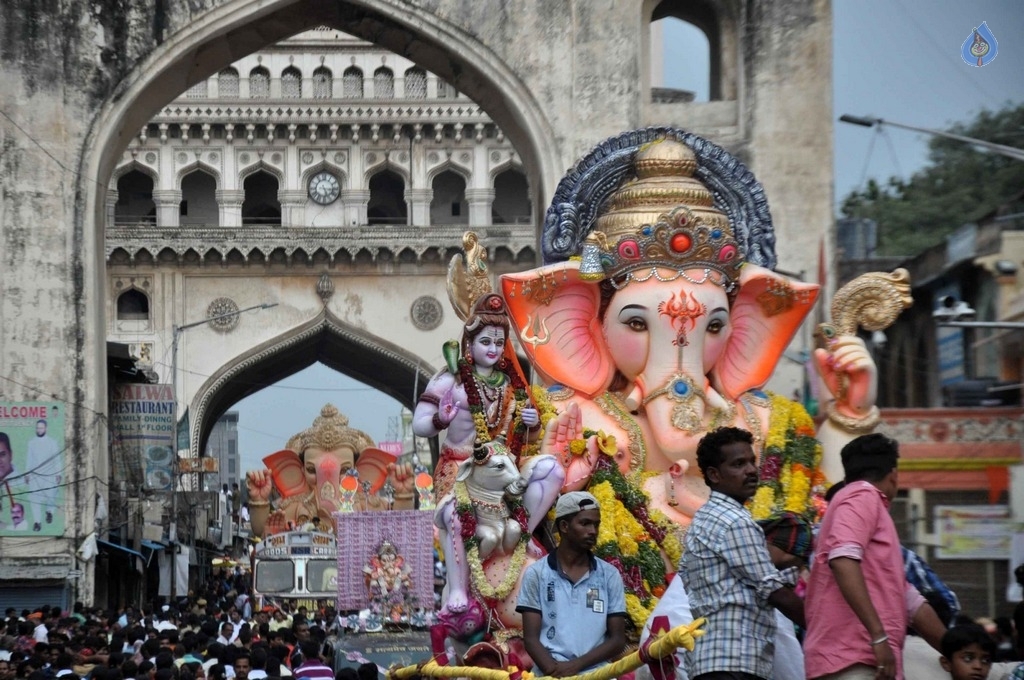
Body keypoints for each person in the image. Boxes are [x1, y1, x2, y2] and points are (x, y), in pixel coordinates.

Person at [804, 433, 946, 680]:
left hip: (862, 662)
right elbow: (842, 559)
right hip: (852, 660)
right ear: (893, 475)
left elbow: (909, 600)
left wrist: (955, 651)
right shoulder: (862, 496)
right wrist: (878, 636)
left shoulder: (868, 507)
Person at [680, 427, 805, 680]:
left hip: (714, 661)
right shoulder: (734, 521)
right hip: (733, 660)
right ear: (714, 474)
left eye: (752, 462)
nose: (750, 471)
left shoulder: (704, 518)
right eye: (738, 464)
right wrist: (829, 630)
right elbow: (773, 591)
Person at [412, 293, 539, 499]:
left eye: (499, 343)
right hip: (460, 465)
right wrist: (440, 420)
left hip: (500, 468)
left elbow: (528, 437)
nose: (493, 349)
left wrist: (532, 423)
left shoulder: (509, 384)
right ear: (470, 343)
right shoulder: (450, 380)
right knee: (460, 518)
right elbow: (419, 426)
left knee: (547, 469)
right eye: (486, 341)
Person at [516, 491, 626, 677]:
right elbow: (531, 639)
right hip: (550, 673)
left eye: (596, 524)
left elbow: (617, 640)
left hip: (598, 674)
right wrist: (554, 671)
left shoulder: (609, 575)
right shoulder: (537, 573)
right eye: (585, 523)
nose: (593, 531)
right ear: (564, 526)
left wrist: (576, 666)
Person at [25, 419, 61, 531]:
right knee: (34, 499)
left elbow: (57, 459)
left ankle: (49, 512)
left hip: (49, 475)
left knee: (51, 496)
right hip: (35, 476)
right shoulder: (31, 443)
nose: (39, 430)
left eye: (41, 428)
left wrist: (58, 473)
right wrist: (27, 474)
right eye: (37, 428)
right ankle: (37, 522)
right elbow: (29, 459)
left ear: (45, 428)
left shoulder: (52, 442)